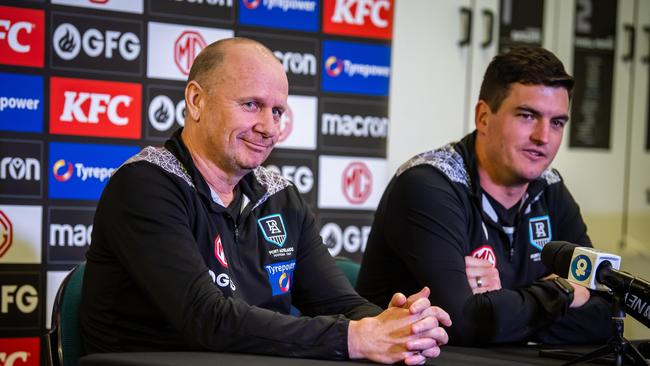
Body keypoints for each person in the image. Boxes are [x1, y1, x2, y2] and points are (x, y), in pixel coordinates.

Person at [80, 37, 450, 364]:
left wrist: (400, 326)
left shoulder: (280, 197)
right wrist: (354, 338)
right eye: (251, 105)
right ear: (196, 101)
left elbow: (338, 303)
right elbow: (205, 318)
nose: (269, 128)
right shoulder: (145, 184)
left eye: (277, 111)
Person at [356, 46, 612, 346]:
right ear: (483, 117)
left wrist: (503, 303)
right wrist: (562, 291)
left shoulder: (550, 188)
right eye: (528, 116)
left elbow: (608, 316)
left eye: (557, 122)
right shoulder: (428, 184)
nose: (543, 137)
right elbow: (464, 322)